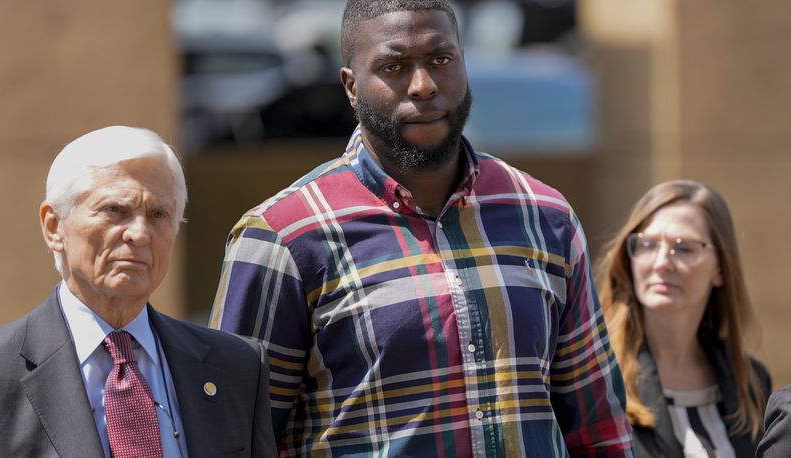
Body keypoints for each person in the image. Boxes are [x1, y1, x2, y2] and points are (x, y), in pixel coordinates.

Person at [210, 1, 633, 456]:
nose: (424, 85)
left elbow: (598, 428)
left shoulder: (544, 217)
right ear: (351, 88)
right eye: (394, 66)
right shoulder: (283, 237)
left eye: (441, 60)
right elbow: (232, 437)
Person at [0, 126, 275, 457]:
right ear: (53, 226)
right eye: (114, 210)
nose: (139, 234)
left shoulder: (236, 368)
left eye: (158, 214)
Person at [596, 180, 770, 457]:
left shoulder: (751, 382)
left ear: (721, 269)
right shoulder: (597, 375)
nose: (662, 262)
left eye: (684, 248)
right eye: (647, 245)